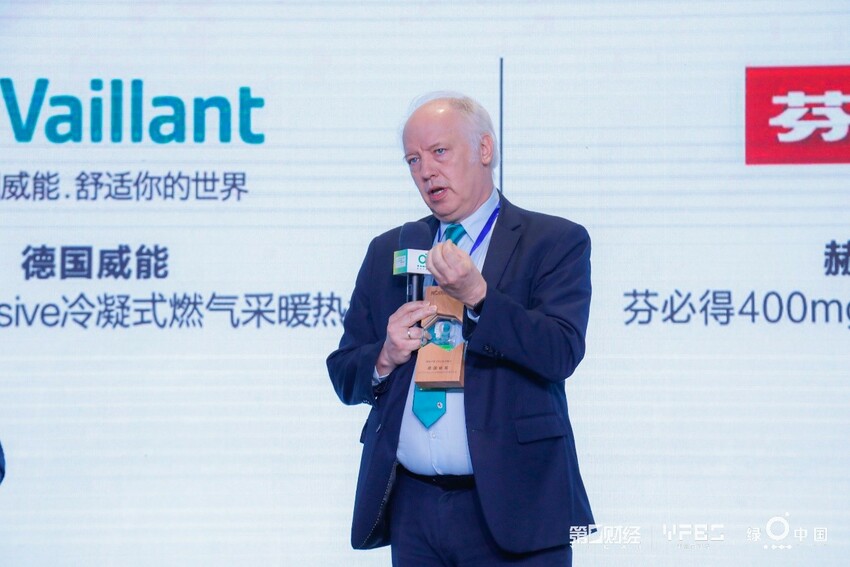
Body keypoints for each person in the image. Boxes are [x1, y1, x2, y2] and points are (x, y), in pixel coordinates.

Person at [327, 91, 593, 566]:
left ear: (484, 149)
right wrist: (384, 357)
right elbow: (345, 372)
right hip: (413, 508)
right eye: (413, 159)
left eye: (439, 152)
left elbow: (560, 352)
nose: (426, 171)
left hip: (515, 507)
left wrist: (480, 296)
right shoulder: (391, 249)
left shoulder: (553, 241)